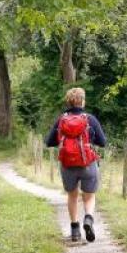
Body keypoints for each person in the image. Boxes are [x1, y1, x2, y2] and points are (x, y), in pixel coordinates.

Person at [45, 88, 107, 242]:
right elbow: (103, 142)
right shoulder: (89, 119)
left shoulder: (62, 120)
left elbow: (49, 141)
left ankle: (75, 231)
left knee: (72, 195)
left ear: (68, 102)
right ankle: (88, 219)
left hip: (67, 164)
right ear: (83, 101)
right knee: (89, 196)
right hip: (87, 163)